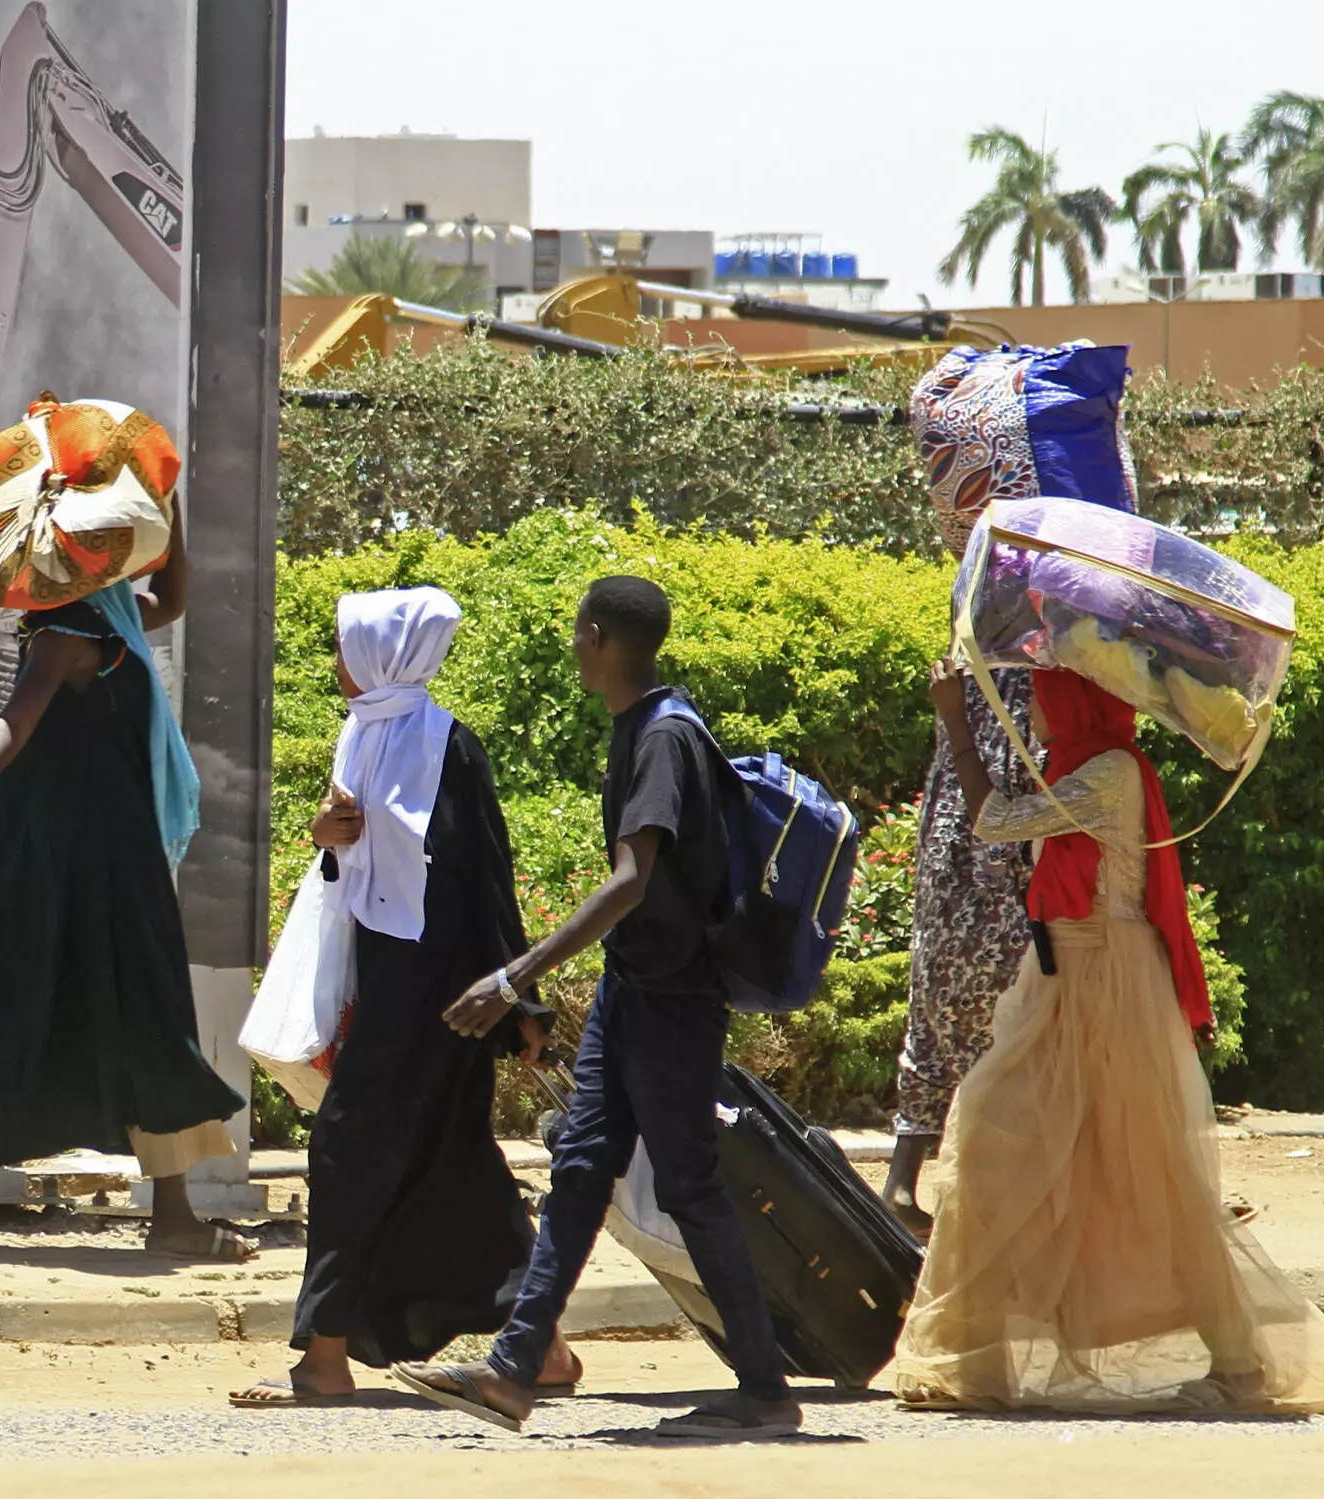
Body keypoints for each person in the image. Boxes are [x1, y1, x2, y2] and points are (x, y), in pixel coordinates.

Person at [392, 575, 802, 1441]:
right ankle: (511, 1370)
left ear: (598, 636)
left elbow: (631, 881)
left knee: (688, 1181)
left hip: (673, 999)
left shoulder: (661, 738)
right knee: (579, 1169)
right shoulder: (644, 726)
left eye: (579, 637)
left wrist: (514, 977)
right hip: (634, 991)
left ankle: (766, 1387)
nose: (575, 648)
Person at [894, 664, 1324, 1413]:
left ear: (1081, 701)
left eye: (1053, 697)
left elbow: (995, 819)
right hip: (1063, 979)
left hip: (1108, 986)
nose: (1042, 711)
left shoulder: (1111, 771)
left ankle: (1240, 1365)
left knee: (1154, 1177)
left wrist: (956, 722)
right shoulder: (1075, 765)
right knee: (1001, 1151)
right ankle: (969, 1362)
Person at [0, 519, 253, 1263]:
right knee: (148, 1006)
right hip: (93, 860)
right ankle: (173, 1218)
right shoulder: (67, 631)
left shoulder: (106, 615)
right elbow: (19, 717)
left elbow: (171, 598)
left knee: (12, 1005)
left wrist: (170, 518)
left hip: (80, 855)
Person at [229, 588, 574, 1407]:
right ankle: (545, 1348)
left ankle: (325, 1357)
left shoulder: (449, 747)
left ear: (387, 657)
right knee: (453, 1165)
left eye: (349, 650)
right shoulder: (363, 734)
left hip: (445, 1001)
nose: (340, 666)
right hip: (384, 987)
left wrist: (518, 1004)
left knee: (348, 1156)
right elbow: (352, 871)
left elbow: (487, 880)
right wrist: (327, 839)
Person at [884, 670, 1038, 1237]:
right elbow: (999, 809)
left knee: (930, 1016)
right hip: (986, 877)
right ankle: (982, 1209)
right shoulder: (1023, 689)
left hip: (946, 868)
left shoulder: (969, 672)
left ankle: (903, 1179)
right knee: (992, 1038)